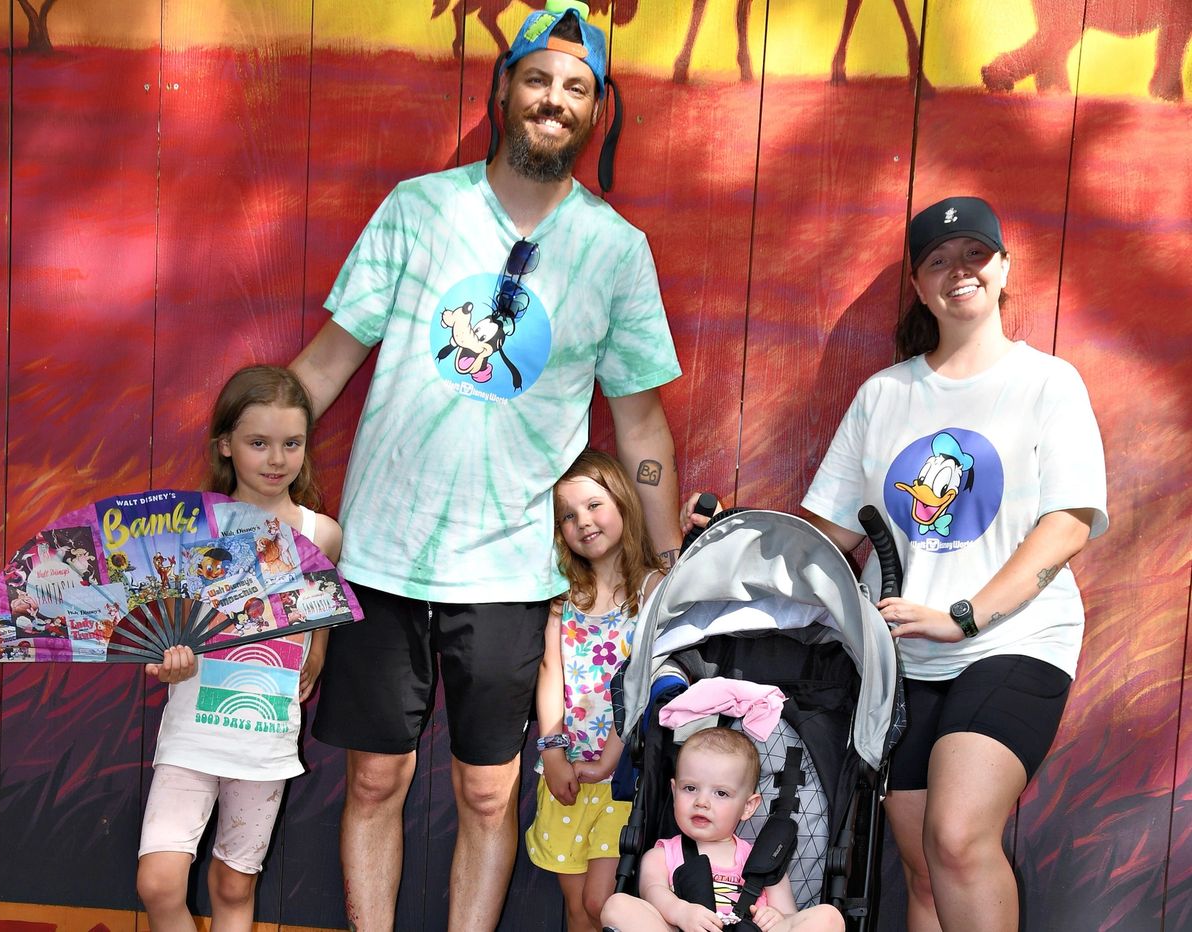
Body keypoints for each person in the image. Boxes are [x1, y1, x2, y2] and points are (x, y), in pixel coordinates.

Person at [290, 2, 683, 928]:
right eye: (538, 78)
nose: (554, 99)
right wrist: (235, 481)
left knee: (487, 795)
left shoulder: (616, 252)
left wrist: (667, 562)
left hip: (511, 571)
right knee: (376, 779)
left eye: (576, 88)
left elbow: (643, 424)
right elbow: (322, 367)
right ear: (504, 88)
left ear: (596, 112)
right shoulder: (420, 208)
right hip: (381, 556)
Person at [797, 196, 1108, 932]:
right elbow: (827, 534)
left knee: (958, 838)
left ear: (1003, 268)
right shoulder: (884, 395)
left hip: (1012, 644)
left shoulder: (1048, 383)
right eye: (938, 260)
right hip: (904, 660)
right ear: (918, 283)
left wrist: (963, 616)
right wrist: (736, 532)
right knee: (926, 873)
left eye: (974, 254)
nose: (958, 270)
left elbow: (1066, 525)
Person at [136, 365, 343, 932]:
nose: (276, 459)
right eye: (259, 443)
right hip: (192, 732)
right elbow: (167, 630)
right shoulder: (188, 526)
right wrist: (171, 661)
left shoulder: (319, 533)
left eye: (291, 443)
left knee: (234, 883)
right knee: (158, 883)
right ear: (226, 445)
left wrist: (318, 650)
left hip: (264, 737)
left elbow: (322, 607)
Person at [526, 449, 665, 932]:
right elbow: (550, 672)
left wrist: (610, 758)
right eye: (567, 515)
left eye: (593, 505)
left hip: (622, 775)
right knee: (575, 911)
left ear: (623, 502)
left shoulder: (652, 590)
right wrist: (554, 751)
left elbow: (648, 685)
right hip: (566, 771)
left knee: (598, 903)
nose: (582, 521)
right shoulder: (563, 596)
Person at [600, 727, 845, 932]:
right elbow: (653, 893)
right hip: (686, 926)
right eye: (690, 788)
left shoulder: (763, 860)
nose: (702, 802)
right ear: (674, 792)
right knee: (617, 905)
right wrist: (681, 911)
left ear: (748, 806)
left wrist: (776, 917)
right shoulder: (662, 855)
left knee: (829, 917)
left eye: (721, 793)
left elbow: (789, 914)